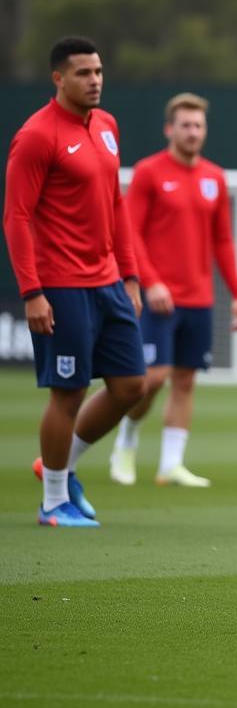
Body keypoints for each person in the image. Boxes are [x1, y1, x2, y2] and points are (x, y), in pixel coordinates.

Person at [4, 36, 146, 527]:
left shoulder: (106, 126)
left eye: (99, 71)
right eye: (84, 73)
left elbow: (116, 202)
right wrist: (32, 291)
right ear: (58, 79)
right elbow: (16, 218)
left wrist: (130, 274)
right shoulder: (37, 135)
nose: (95, 81)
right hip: (61, 286)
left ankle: (58, 466)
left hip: (108, 281)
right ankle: (52, 502)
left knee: (131, 386)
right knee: (68, 393)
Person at [108, 94, 237, 488]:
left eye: (198, 125)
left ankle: (171, 464)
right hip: (158, 298)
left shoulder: (214, 178)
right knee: (151, 379)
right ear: (169, 129)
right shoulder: (150, 173)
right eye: (185, 125)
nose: (192, 132)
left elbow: (222, 240)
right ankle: (126, 440)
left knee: (185, 381)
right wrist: (150, 281)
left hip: (199, 298)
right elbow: (130, 231)